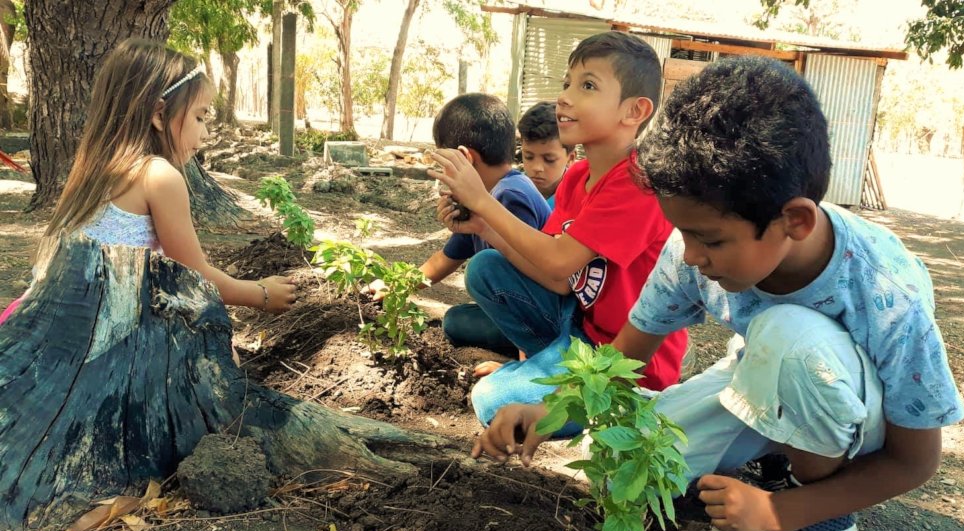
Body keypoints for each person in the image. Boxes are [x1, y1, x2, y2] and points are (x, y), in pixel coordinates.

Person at [470, 56, 964, 531]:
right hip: (761, 372)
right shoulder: (692, 249)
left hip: (854, 412)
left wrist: (776, 514)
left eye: (707, 239)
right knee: (618, 462)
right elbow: (627, 355)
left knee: (788, 334)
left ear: (793, 220)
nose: (689, 255)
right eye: (682, 232)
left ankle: (815, 498)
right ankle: (774, 446)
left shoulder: (885, 291)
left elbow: (914, 461)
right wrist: (550, 410)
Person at [429, 31, 688, 431]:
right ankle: (542, 369)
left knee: (490, 402)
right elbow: (559, 279)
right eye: (567, 82)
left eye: (588, 85)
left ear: (634, 111)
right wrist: (484, 226)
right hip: (581, 331)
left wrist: (482, 201)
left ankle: (605, 403)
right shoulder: (577, 175)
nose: (565, 96)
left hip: (625, 365)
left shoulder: (638, 182)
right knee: (485, 267)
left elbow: (560, 259)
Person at [0, 38, 296, 326]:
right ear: (159, 114)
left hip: (45, 322)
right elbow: (193, 276)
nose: (205, 134)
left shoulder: (95, 170)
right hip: (100, 336)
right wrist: (263, 293)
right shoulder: (159, 176)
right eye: (200, 117)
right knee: (218, 350)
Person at [366, 93, 551, 357]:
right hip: (522, 306)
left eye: (443, 161)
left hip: (544, 316)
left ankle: (532, 354)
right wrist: (396, 288)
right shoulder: (483, 199)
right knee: (455, 319)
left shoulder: (511, 196)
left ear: (464, 157)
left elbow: (526, 277)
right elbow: (446, 257)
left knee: (457, 323)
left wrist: (523, 368)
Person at [517, 101, 575, 208]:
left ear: (570, 158)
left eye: (549, 159)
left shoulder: (579, 200)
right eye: (528, 157)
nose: (537, 168)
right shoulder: (511, 191)